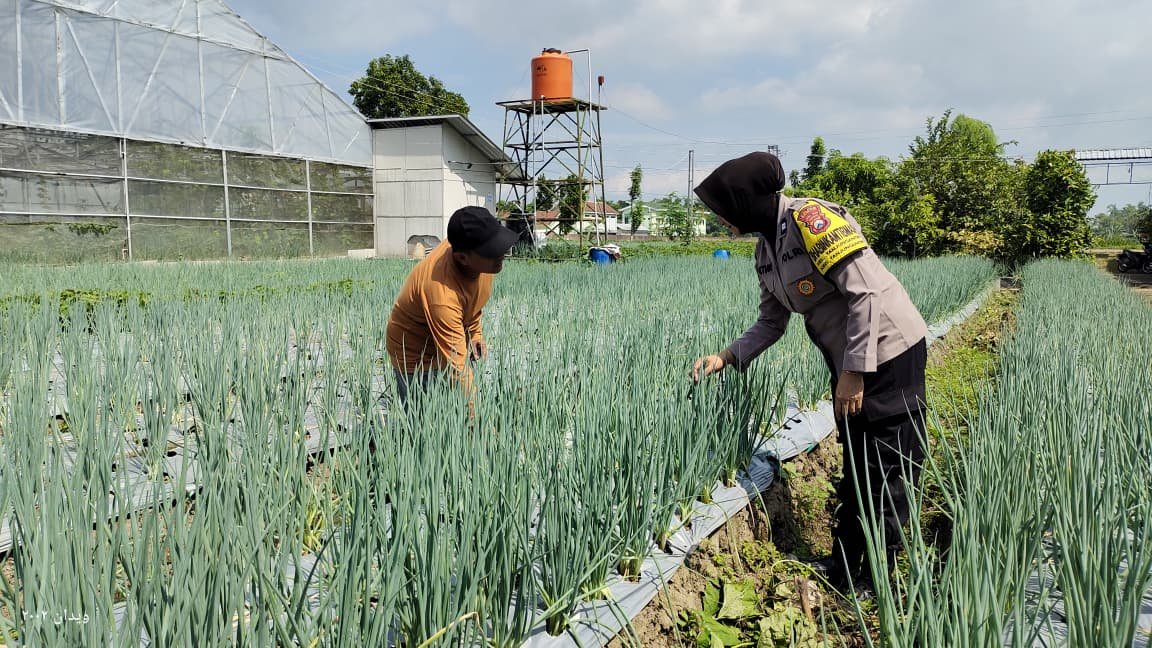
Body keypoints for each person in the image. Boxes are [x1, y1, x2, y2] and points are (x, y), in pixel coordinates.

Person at [689, 152, 929, 591]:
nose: (721, 220)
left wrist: (855, 371)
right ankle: (845, 564)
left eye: (723, 209)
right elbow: (771, 321)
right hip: (849, 361)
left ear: (744, 201)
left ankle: (879, 578)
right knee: (856, 459)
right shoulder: (766, 251)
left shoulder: (812, 220)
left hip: (890, 350)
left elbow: (867, 293)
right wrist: (726, 356)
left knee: (887, 464)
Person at [386, 206, 518, 404]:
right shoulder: (442, 294)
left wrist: (474, 333)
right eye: (491, 250)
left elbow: (472, 302)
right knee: (425, 424)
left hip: (447, 334)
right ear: (462, 258)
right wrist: (478, 421)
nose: (501, 253)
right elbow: (458, 368)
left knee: (453, 409)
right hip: (414, 353)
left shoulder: (480, 261)